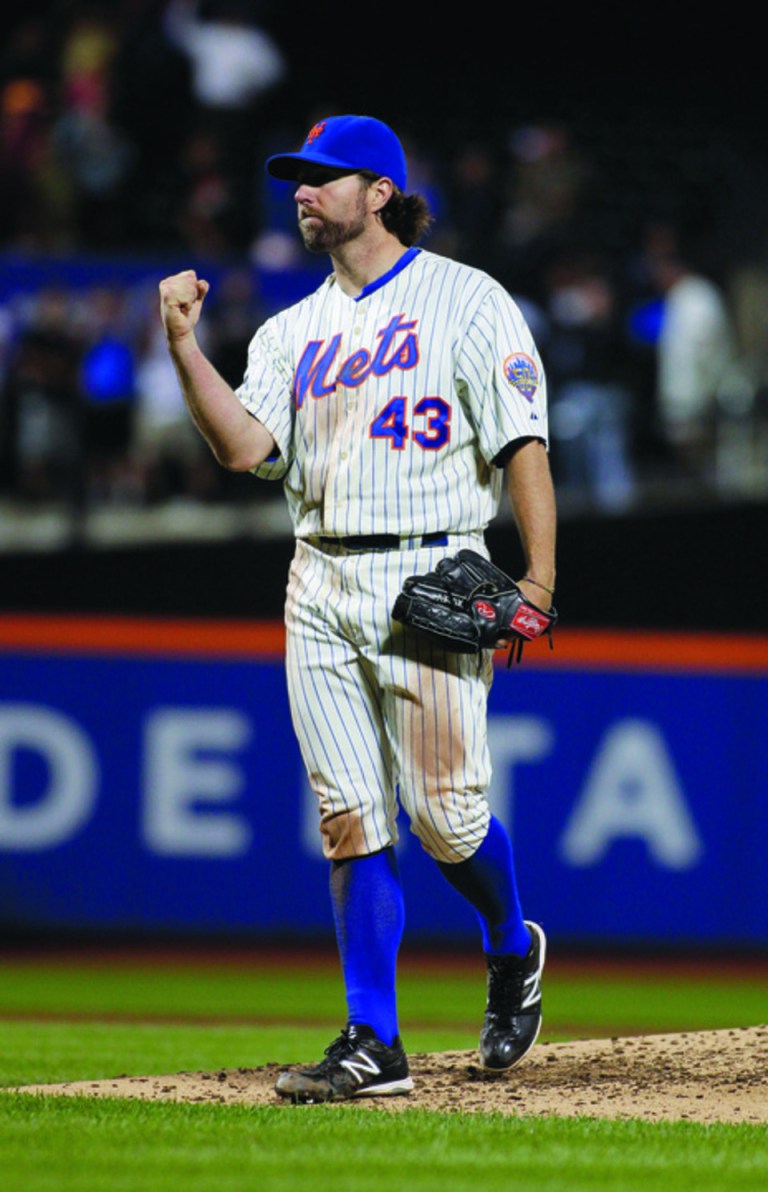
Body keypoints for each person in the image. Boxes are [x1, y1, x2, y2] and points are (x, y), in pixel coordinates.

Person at [159, 114, 556, 1104]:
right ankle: (374, 1039)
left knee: (449, 822)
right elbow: (246, 450)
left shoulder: (467, 298)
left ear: (379, 190)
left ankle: (512, 942)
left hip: (433, 577)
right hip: (318, 581)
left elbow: (523, 447)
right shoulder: (291, 331)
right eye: (295, 178)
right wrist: (181, 345)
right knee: (348, 819)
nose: (300, 191)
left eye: (321, 177)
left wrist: (538, 583)